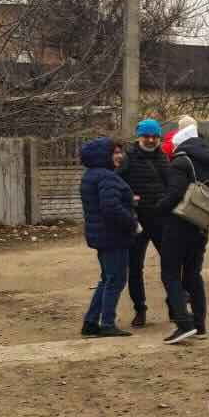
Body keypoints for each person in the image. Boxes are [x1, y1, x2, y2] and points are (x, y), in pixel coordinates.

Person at [156, 118, 209, 345]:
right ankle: (200, 324)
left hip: (178, 227)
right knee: (193, 274)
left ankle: (183, 323)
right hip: (199, 226)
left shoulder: (180, 162)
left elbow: (174, 194)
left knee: (170, 274)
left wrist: (158, 208)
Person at [79, 138, 138, 338]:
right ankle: (107, 323)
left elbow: (104, 203)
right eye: (115, 153)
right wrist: (132, 222)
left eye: (120, 152)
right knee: (116, 280)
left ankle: (90, 322)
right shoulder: (107, 177)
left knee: (107, 279)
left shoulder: (91, 175)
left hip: (101, 235)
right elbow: (111, 207)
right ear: (103, 156)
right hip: (113, 236)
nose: (120, 156)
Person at [118, 119, 169, 328]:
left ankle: (175, 304)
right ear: (139, 137)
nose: (150, 140)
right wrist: (128, 199)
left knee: (171, 262)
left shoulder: (163, 158)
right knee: (135, 267)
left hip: (159, 219)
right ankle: (140, 309)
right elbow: (117, 183)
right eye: (146, 136)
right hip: (136, 221)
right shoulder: (128, 158)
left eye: (154, 136)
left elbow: (170, 183)